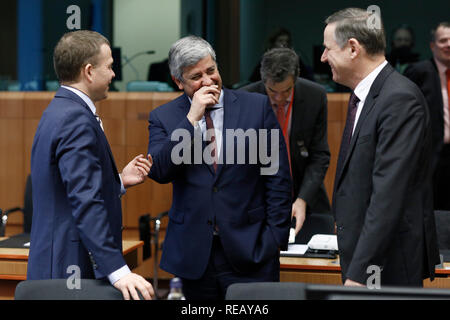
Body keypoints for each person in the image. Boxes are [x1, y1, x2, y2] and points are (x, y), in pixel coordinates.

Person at [147, 36, 292, 299]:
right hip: (195, 254)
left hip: (252, 249)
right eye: (196, 76)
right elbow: (159, 171)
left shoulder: (256, 107)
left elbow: (277, 176)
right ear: (179, 82)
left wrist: (274, 239)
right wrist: (192, 119)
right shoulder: (164, 117)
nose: (208, 81)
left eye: (211, 71)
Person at [28, 30, 155, 300]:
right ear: (88, 71)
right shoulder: (75, 118)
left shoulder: (59, 109)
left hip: (59, 262)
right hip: (69, 266)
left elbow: (67, 185)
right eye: (109, 67)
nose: (113, 75)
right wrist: (118, 271)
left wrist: (118, 180)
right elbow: (85, 200)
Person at [321, 8, 439, 287]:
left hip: (384, 267)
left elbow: (389, 194)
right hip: (365, 258)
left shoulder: (399, 99)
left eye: (328, 49)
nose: (323, 57)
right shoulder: (368, 95)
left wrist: (361, 273)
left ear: (352, 48)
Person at [241, 47, 331, 236]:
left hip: (307, 199)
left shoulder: (315, 96)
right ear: (263, 79)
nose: (279, 98)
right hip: (258, 203)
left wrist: (302, 200)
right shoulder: (244, 99)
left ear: (296, 79)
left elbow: (319, 155)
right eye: (272, 91)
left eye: (287, 91)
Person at [404, 22, 450, 210]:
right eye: (443, 40)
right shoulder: (419, 71)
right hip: (431, 156)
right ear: (432, 45)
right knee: (431, 211)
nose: (448, 44)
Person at [248, 27, 314, 83]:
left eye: (287, 41)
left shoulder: (295, 60)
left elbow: (307, 80)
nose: (284, 43)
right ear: (273, 43)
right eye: (280, 41)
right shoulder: (266, 60)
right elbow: (253, 81)